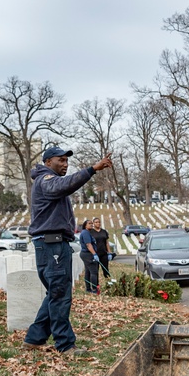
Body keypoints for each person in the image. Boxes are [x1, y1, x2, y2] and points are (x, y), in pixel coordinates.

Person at [23, 146, 112, 356]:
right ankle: (65, 345)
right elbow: (66, 184)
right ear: (48, 162)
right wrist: (93, 169)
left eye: (66, 161)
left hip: (53, 244)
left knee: (55, 292)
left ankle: (34, 339)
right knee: (60, 294)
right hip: (51, 244)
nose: (65, 164)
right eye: (60, 160)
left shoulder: (47, 180)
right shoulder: (47, 180)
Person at [78, 220, 98, 293]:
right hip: (87, 254)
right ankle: (94, 289)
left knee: (88, 271)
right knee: (94, 271)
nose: (91, 225)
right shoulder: (85, 233)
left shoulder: (87, 232)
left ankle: (88, 289)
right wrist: (94, 254)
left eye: (92, 223)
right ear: (85, 225)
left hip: (86, 253)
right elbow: (88, 245)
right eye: (89, 223)